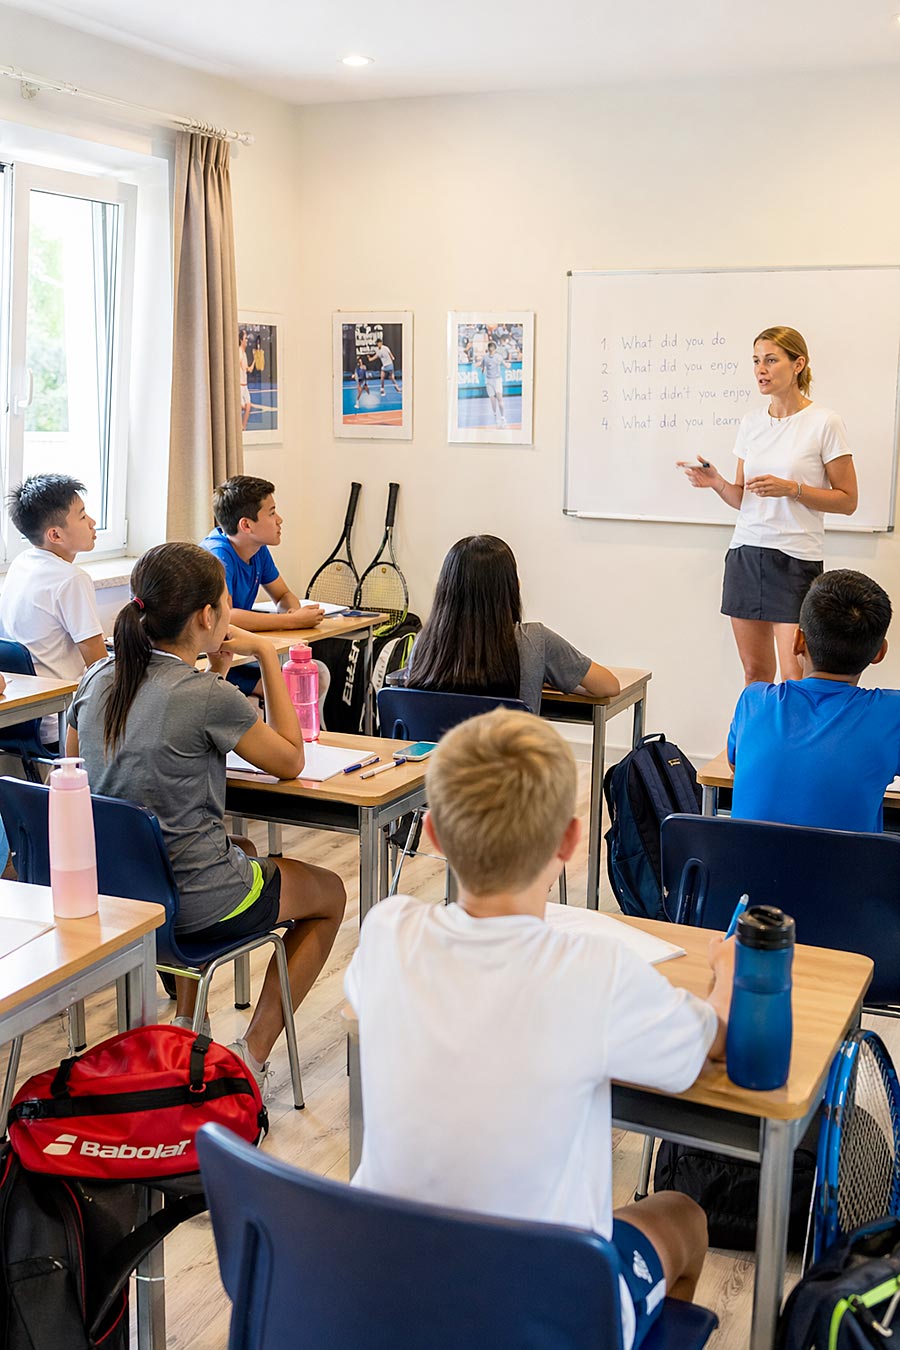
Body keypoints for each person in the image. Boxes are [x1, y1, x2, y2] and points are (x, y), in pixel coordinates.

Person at [346, 709, 734, 1349]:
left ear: (436, 835)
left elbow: (367, 998)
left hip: (384, 1292)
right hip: (543, 1314)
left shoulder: (389, 931)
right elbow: (709, 1047)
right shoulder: (597, 973)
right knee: (683, 1216)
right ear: (571, 840)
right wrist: (724, 972)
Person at [67, 542, 346, 1093]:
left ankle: (187, 1021)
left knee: (237, 847)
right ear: (207, 617)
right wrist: (267, 654)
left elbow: (79, 770)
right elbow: (290, 760)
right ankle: (253, 1055)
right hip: (194, 905)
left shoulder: (100, 676)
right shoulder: (206, 696)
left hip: (118, 899)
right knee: (331, 893)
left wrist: (212, 674)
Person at [677, 326, 858, 684]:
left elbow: (848, 500)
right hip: (747, 553)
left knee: (795, 675)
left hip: (795, 559)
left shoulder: (824, 422)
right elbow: (742, 497)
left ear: (798, 365)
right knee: (755, 673)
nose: (761, 369)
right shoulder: (751, 423)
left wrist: (793, 489)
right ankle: (745, 743)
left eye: (772, 360)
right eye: (757, 361)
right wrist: (717, 483)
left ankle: (787, 743)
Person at [728, 568, 900, 832]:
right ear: (880, 653)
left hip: (744, 872)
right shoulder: (892, 714)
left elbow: (735, 763)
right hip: (849, 873)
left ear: (797, 641)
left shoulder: (754, 701)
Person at [406, 534, 620, 710]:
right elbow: (608, 686)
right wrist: (550, 674)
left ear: (446, 590)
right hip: (510, 760)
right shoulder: (535, 641)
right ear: (512, 586)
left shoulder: (425, 644)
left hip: (437, 761)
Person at [199, 475, 328, 706]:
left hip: (238, 655)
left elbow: (283, 595)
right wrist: (292, 622)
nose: (280, 520)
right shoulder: (217, 556)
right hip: (215, 658)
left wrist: (291, 612)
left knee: (317, 674)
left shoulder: (257, 549)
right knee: (293, 688)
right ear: (246, 525)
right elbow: (226, 617)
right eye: (271, 513)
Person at [0, 474, 106, 745]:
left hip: (20, 712)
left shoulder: (22, 563)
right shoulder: (71, 578)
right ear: (55, 534)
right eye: (82, 517)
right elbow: (99, 665)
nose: (92, 522)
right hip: (59, 720)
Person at [480, 340, 509, 427]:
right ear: (488, 350)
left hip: (497, 380)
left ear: (494, 350)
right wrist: (481, 368)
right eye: (490, 350)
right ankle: (496, 417)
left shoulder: (498, 357)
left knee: (499, 399)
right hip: (489, 381)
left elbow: (505, 365)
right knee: (492, 400)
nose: (491, 352)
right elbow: (483, 366)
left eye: (492, 350)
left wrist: (507, 365)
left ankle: (503, 418)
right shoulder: (485, 357)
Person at [238, 329, 252, 431]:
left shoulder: (245, 353)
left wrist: (255, 360)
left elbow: (248, 369)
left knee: (248, 406)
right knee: (242, 406)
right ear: (241, 339)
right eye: (245, 338)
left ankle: (243, 426)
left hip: (245, 386)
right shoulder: (239, 352)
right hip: (239, 385)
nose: (246, 340)